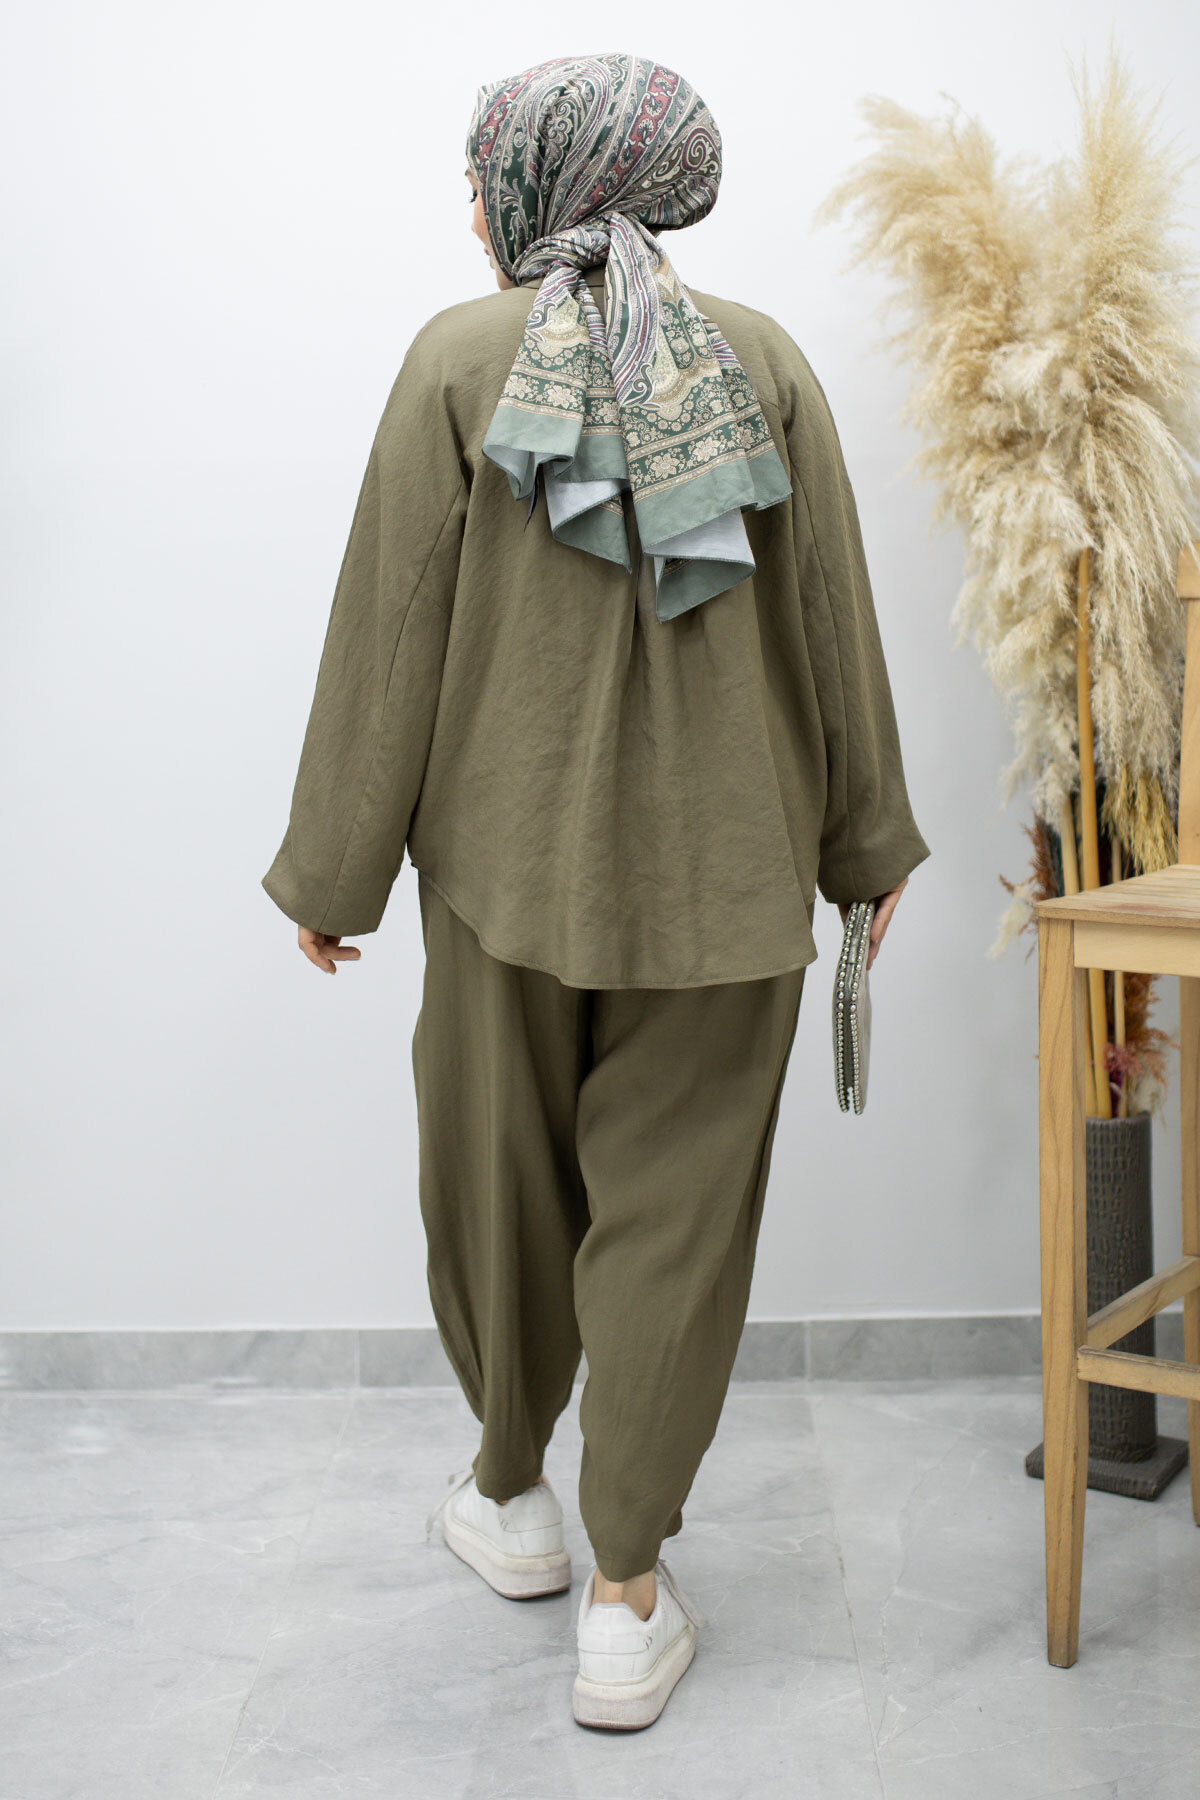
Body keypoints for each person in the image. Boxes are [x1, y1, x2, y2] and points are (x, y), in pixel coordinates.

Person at [261, 51, 931, 1730]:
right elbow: (835, 620)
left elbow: (390, 630)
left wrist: (337, 868)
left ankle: (511, 1495)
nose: (468, 207)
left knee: (492, 1189)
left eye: (479, 175)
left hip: (505, 869)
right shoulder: (765, 363)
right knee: (673, 1230)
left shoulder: (456, 361)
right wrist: (863, 846)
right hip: (731, 874)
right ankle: (626, 1598)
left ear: (542, 181)